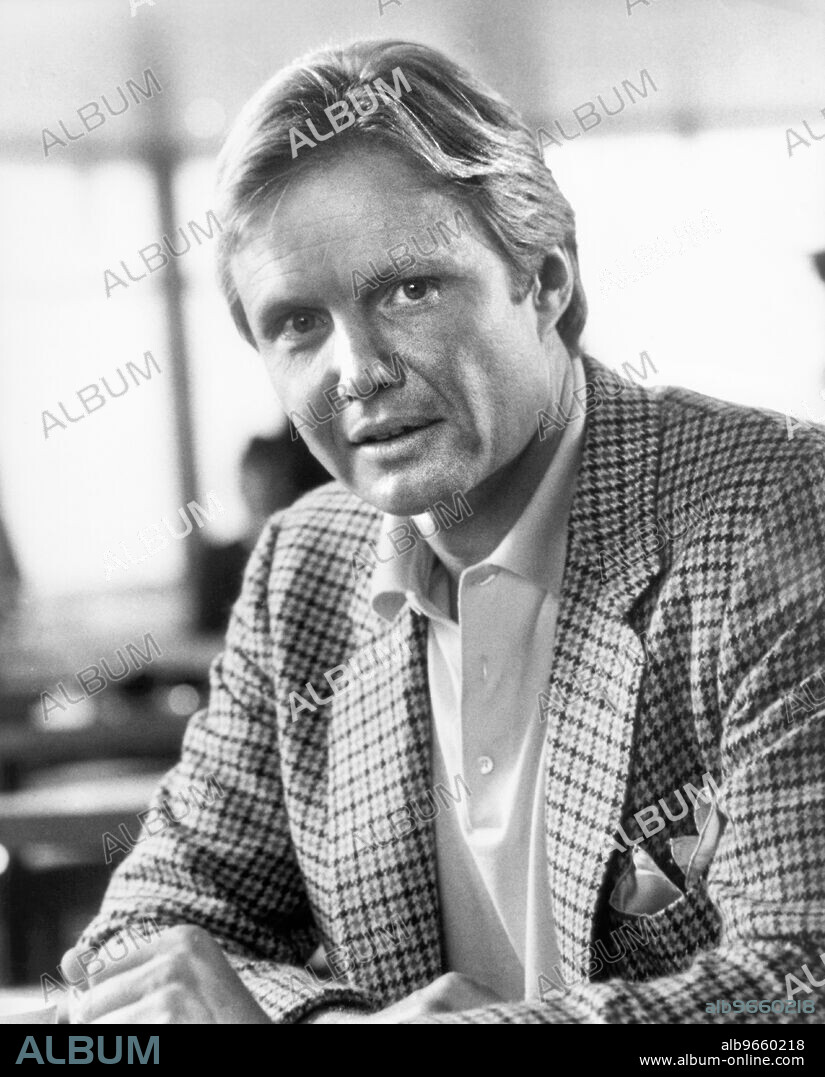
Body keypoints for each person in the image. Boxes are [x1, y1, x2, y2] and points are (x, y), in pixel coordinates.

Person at [63, 39, 825, 1024]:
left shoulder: (778, 515)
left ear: (546, 281)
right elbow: (147, 933)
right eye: (299, 323)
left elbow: (799, 985)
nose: (358, 370)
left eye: (409, 291)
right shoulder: (305, 565)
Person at [193, 433, 329, 633]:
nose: (264, 488)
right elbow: (204, 634)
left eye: (273, 477)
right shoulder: (217, 561)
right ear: (242, 484)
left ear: (287, 482)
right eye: (256, 476)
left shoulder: (310, 555)